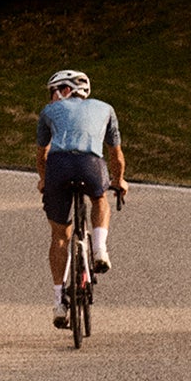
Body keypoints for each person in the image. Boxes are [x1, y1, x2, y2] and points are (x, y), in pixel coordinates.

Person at [36, 69, 128, 329]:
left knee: (59, 237)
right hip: (91, 164)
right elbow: (116, 156)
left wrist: (43, 179)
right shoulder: (106, 109)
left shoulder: (47, 112)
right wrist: (118, 181)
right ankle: (99, 249)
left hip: (58, 165)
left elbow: (42, 155)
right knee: (100, 199)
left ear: (65, 90)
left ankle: (58, 301)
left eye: (53, 91)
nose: (51, 97)